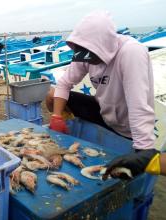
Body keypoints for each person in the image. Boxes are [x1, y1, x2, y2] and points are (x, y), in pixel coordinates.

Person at [46, 11, 156, 154]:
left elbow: (138, 105)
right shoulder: (84, 53)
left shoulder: (131, 52)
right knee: (52, 95)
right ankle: (67, 128)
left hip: (128, 125)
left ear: (104, 46)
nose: (86, 59)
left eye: (91, 54)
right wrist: (56, 117)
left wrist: (144, 150)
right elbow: (64, 84)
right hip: (105, 113)